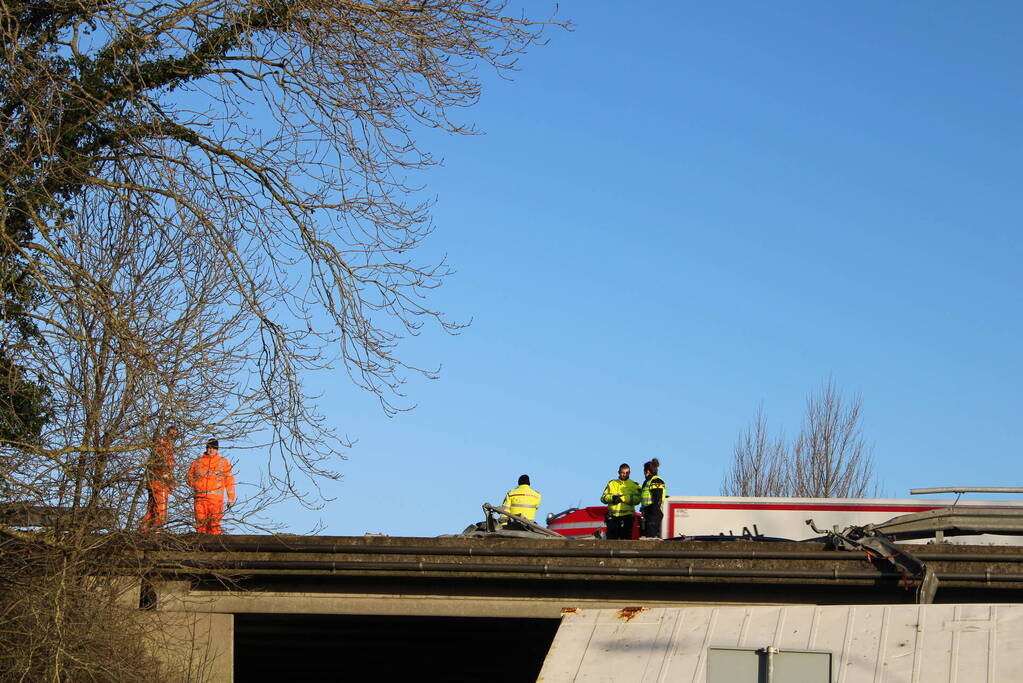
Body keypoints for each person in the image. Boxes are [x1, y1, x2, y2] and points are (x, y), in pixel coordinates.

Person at [187, 439, 236, 535]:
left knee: (214, 525)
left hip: (215, 500)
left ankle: (214, 547)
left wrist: (231, 498)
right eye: (209, 448)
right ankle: (201, 548)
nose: (211, 450)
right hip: (200, 499)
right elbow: (188, 476)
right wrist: (196, 485)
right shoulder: (198, 462)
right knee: (200, 525)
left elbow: (229, 481)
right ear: (206, 448)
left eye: (213, 448)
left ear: (217, 449)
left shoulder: (223, 462)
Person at [142, 426, 177, 531]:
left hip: (154, 482)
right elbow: (163, 467)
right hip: (159, 483)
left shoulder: (165, 448)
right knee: (161, 510)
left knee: (151, 509)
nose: (172, 436)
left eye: (175, 435)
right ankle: (157, 531)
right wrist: (167, 479)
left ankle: (144, 530)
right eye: (171, 434)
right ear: (166, 434)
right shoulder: (163, 447)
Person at [601, 463, 641, 540]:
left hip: (627, 517)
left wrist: (624, 498)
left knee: (625, 542)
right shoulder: (611, 483)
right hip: (613, 517)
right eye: (622, 472)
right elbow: (603, 498)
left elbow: (638, 500)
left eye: (627, 473)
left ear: (629, 473)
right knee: (611, 542)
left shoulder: (634, 485)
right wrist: (612, 498)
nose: (624, 475)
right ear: (618, 472)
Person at [640, 458, 666, 539]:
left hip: (654, 513)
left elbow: (657, 498)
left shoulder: (656, 480)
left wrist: (650, 510)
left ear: (647, 471)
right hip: (649, 513)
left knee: (650, 539)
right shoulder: (649, 481)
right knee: (647, 538)